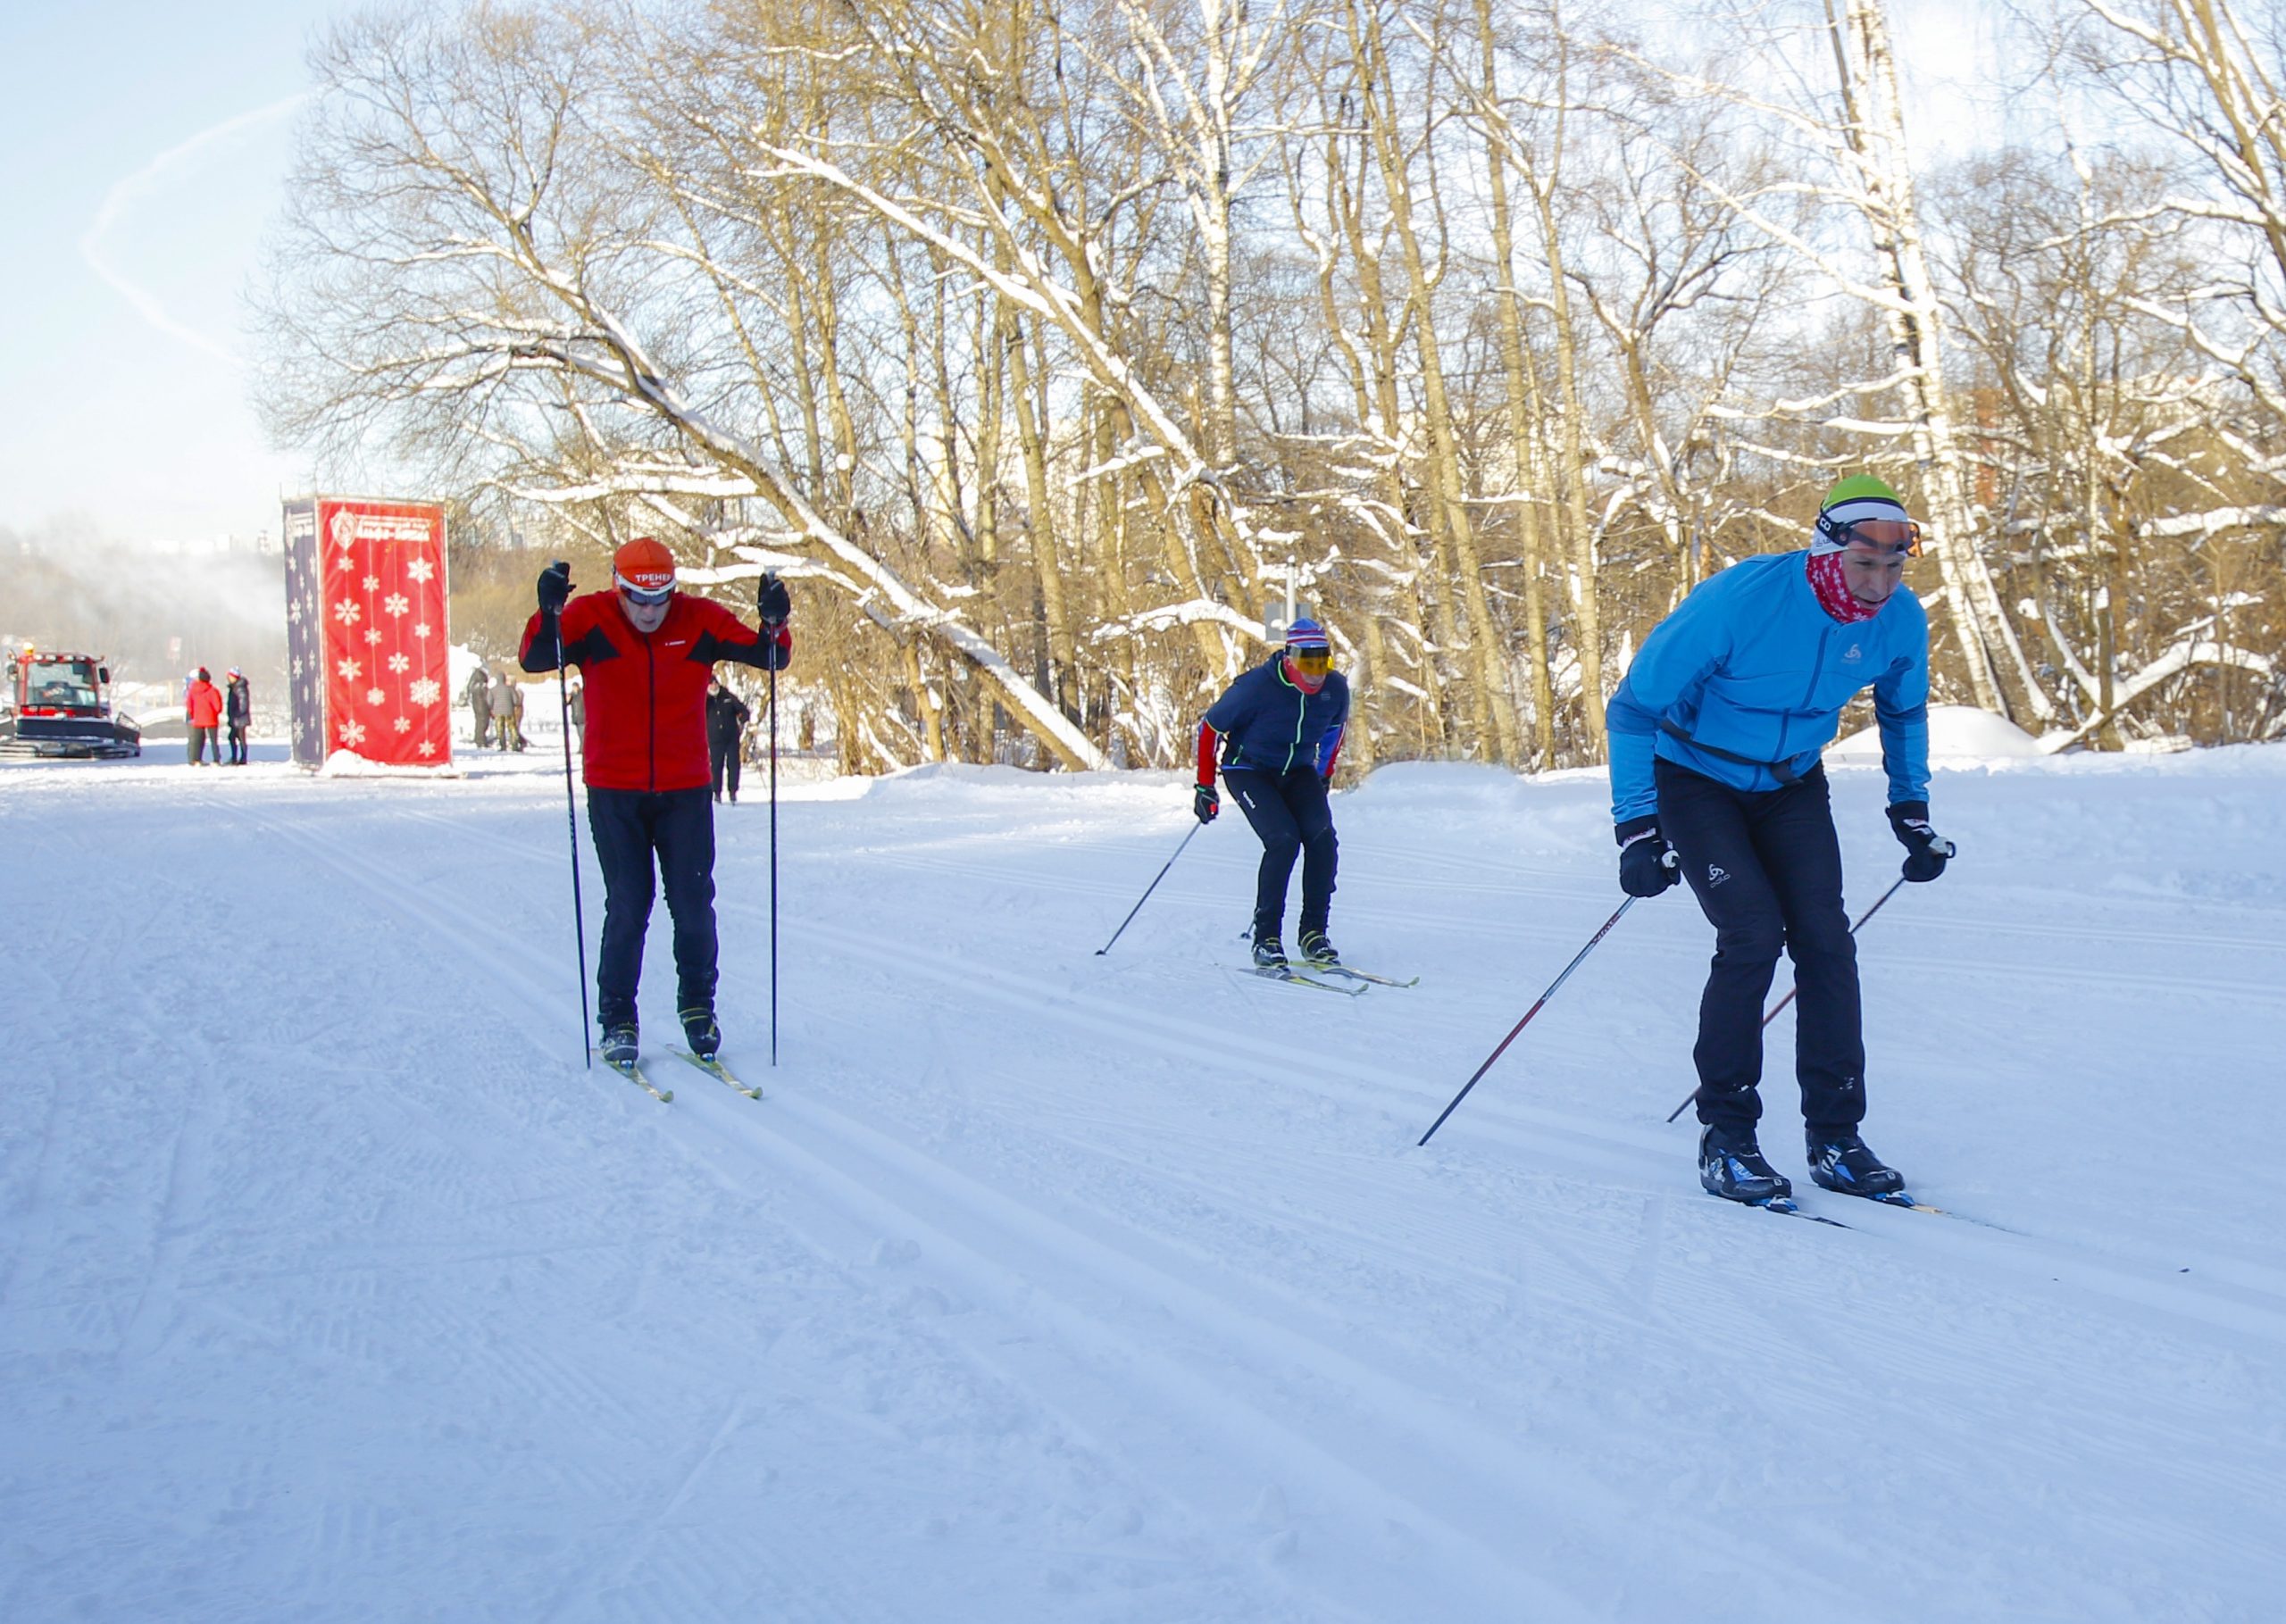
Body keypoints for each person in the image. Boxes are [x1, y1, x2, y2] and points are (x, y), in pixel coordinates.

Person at [1606, 475, 1953, 1206]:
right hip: (1695, 777)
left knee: (1827, 940)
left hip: (1792, 782)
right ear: (1827, 548)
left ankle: (1835, 1136)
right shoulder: (1743, 600)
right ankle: (1726, 1135)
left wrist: (1911, 808)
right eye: (1866, 564)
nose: (1879, 583)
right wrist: (1637, 827)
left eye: (1894, 568)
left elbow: (1905, 710)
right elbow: (1634, 709)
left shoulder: (1898, 619)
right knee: (1753, 933)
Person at [521, 537, 793, 1064]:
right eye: (637, 599)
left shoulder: (699, 620)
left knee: (693, 906)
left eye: (660, 598)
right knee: (629, 904)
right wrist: (547, 611)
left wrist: (775, 620)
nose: (649, 611)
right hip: (614, 789)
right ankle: (618, 1016)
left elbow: (771, 656)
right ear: (617, 586)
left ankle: (698, 1007)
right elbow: (535, 657)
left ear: (674, 589)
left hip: (685, 791)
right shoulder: (591, 618)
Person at [1193, 618, 1350, 970]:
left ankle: (1314, 934)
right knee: (1284, 839)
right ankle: (1267, 939)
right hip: (1249, 769)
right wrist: (1205, 785)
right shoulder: (1256, 687)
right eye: (1306, 663)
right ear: (1289, 659)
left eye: (1321, 662)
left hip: (1297, 770)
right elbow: (1210, 729)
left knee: (1322, 838)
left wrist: (1323, 775)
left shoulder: (1335, 689)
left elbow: (1333, 734)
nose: (1315, 674)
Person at [705, 678, 751, 804]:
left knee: (733, 764)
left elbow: (744, 711)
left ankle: (733, 792)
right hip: (715, 739)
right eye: (711, 683)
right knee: (716, 766)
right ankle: (717, 793)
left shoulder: (728, 696)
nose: (714, 686)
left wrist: (741, 720)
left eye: (715, 683)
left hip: (731, 737)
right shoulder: (705, 700)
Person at [185, 667, 224, 766]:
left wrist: (194, 714)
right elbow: (218, 706)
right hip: (211, 719)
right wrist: (215, 713)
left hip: (198, 719)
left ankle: (196, 759)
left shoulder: (193, 690)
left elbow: (189, 705)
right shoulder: (213, 691)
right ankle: (216, 759)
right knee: (214, 741)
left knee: (198, 741)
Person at [224, 668, 251, 765]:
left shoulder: (240, 688)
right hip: (235, 718)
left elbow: (243, 702)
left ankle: (242, 758)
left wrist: (238, 714)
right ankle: (235, 757)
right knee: (232, 737)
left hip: (239, 719)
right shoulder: (234, 687)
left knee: (240, 738)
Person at [494, 670, 526, 752]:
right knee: (513, 728)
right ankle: (515, 744)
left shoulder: (495, 689)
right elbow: (516, 701)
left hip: (499, 712)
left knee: (500, 729)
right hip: (511, 711)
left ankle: (502, 745)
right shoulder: (514, 691)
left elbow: (490, 700)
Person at [466, 666, 493, 749]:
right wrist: (490, 706)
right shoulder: (482, 686)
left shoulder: (473, 685)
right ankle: (481, 741)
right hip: (483, 708)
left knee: (478, 723)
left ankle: (478, 738)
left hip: (476, 707)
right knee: (483, 723)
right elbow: (487, 698)